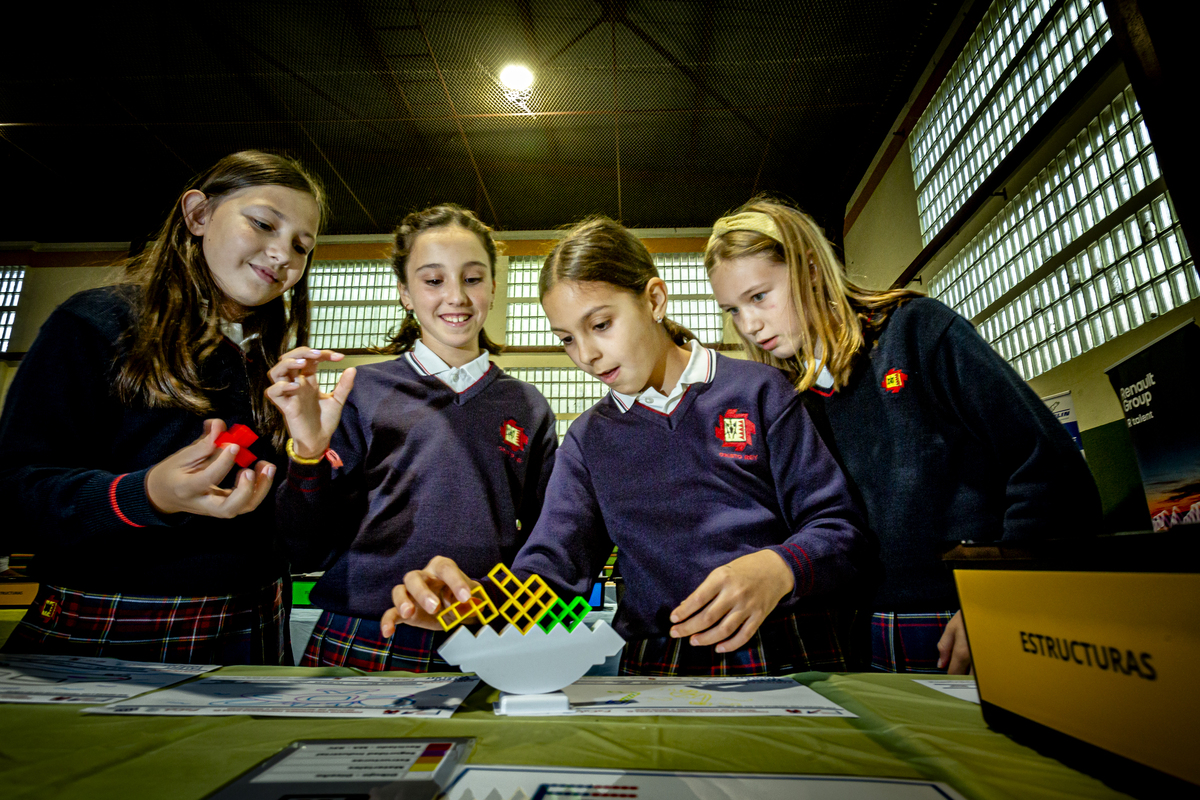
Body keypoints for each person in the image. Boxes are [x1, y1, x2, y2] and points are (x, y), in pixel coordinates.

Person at [382, 217, 871, 676]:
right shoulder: (589, 440)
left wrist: (779, 568)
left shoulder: (760, 392)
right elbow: (554, 576)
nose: (588, 355)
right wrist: (474, 609)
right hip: (658, 660)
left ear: (654, 299)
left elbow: (839, 529)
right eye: (567, 340)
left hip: (793, 649)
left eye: (600, 325)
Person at [704, 197, 1102, 674]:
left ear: (810, 269)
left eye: (759, 297)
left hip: (970, 617)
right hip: (862, 634)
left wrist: (1000, 592)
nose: (749, 325)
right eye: (732, 310)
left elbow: (1051, 471)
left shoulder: (918, 332)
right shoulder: (792, 398)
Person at [0, 150, 327, 664]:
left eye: (301, 246)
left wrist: (309, 453)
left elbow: (299, 538)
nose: (282, 253)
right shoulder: (95, 323)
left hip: (254, 620)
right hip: (113, 619)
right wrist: (147, 493)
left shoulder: (275, 365)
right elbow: (14, 495)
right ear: (198, 215)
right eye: (263, 223)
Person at [270, 204, 557, 672]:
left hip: (487, 631)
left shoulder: (527, 406)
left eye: (472, 277)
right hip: (366, 630)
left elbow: (549, 538)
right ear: (405, 292)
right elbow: (302, 548)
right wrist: (308, 453)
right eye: (433, 280)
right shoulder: (355, 392)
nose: (456, 296)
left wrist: (509, 606)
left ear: (493, 286)